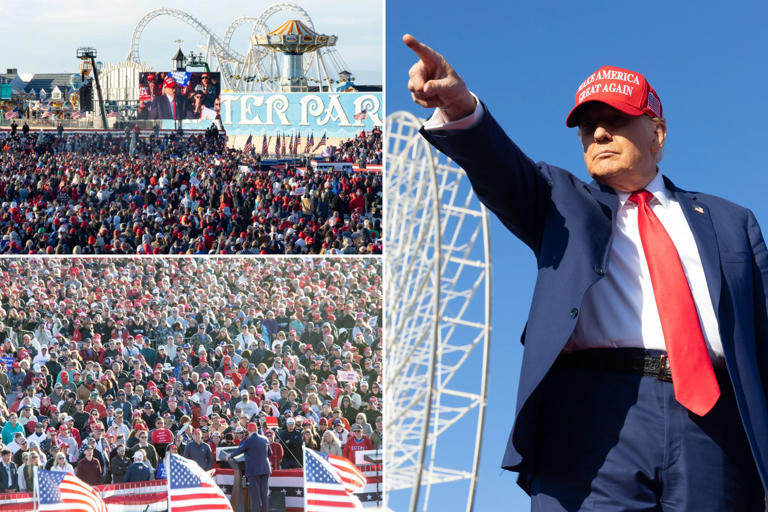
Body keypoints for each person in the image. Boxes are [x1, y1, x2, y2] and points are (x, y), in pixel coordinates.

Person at [404, 34, 768, 510]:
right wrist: (458, 105)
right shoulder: (558, 199)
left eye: (614, 121)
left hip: (716, 428)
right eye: (587, 127)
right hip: (591, 422)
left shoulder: (730, 221)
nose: (598, 135)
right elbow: (499, 165)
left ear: (657, 133)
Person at [226, 423, 271, 512]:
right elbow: (269, 453)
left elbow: (239, 450)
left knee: (255, 495)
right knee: (264, 494)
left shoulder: (249, 440)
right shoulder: (265, 439)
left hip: (254, 471)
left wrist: (229, 455)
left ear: (249, 431)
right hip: (265, 469)